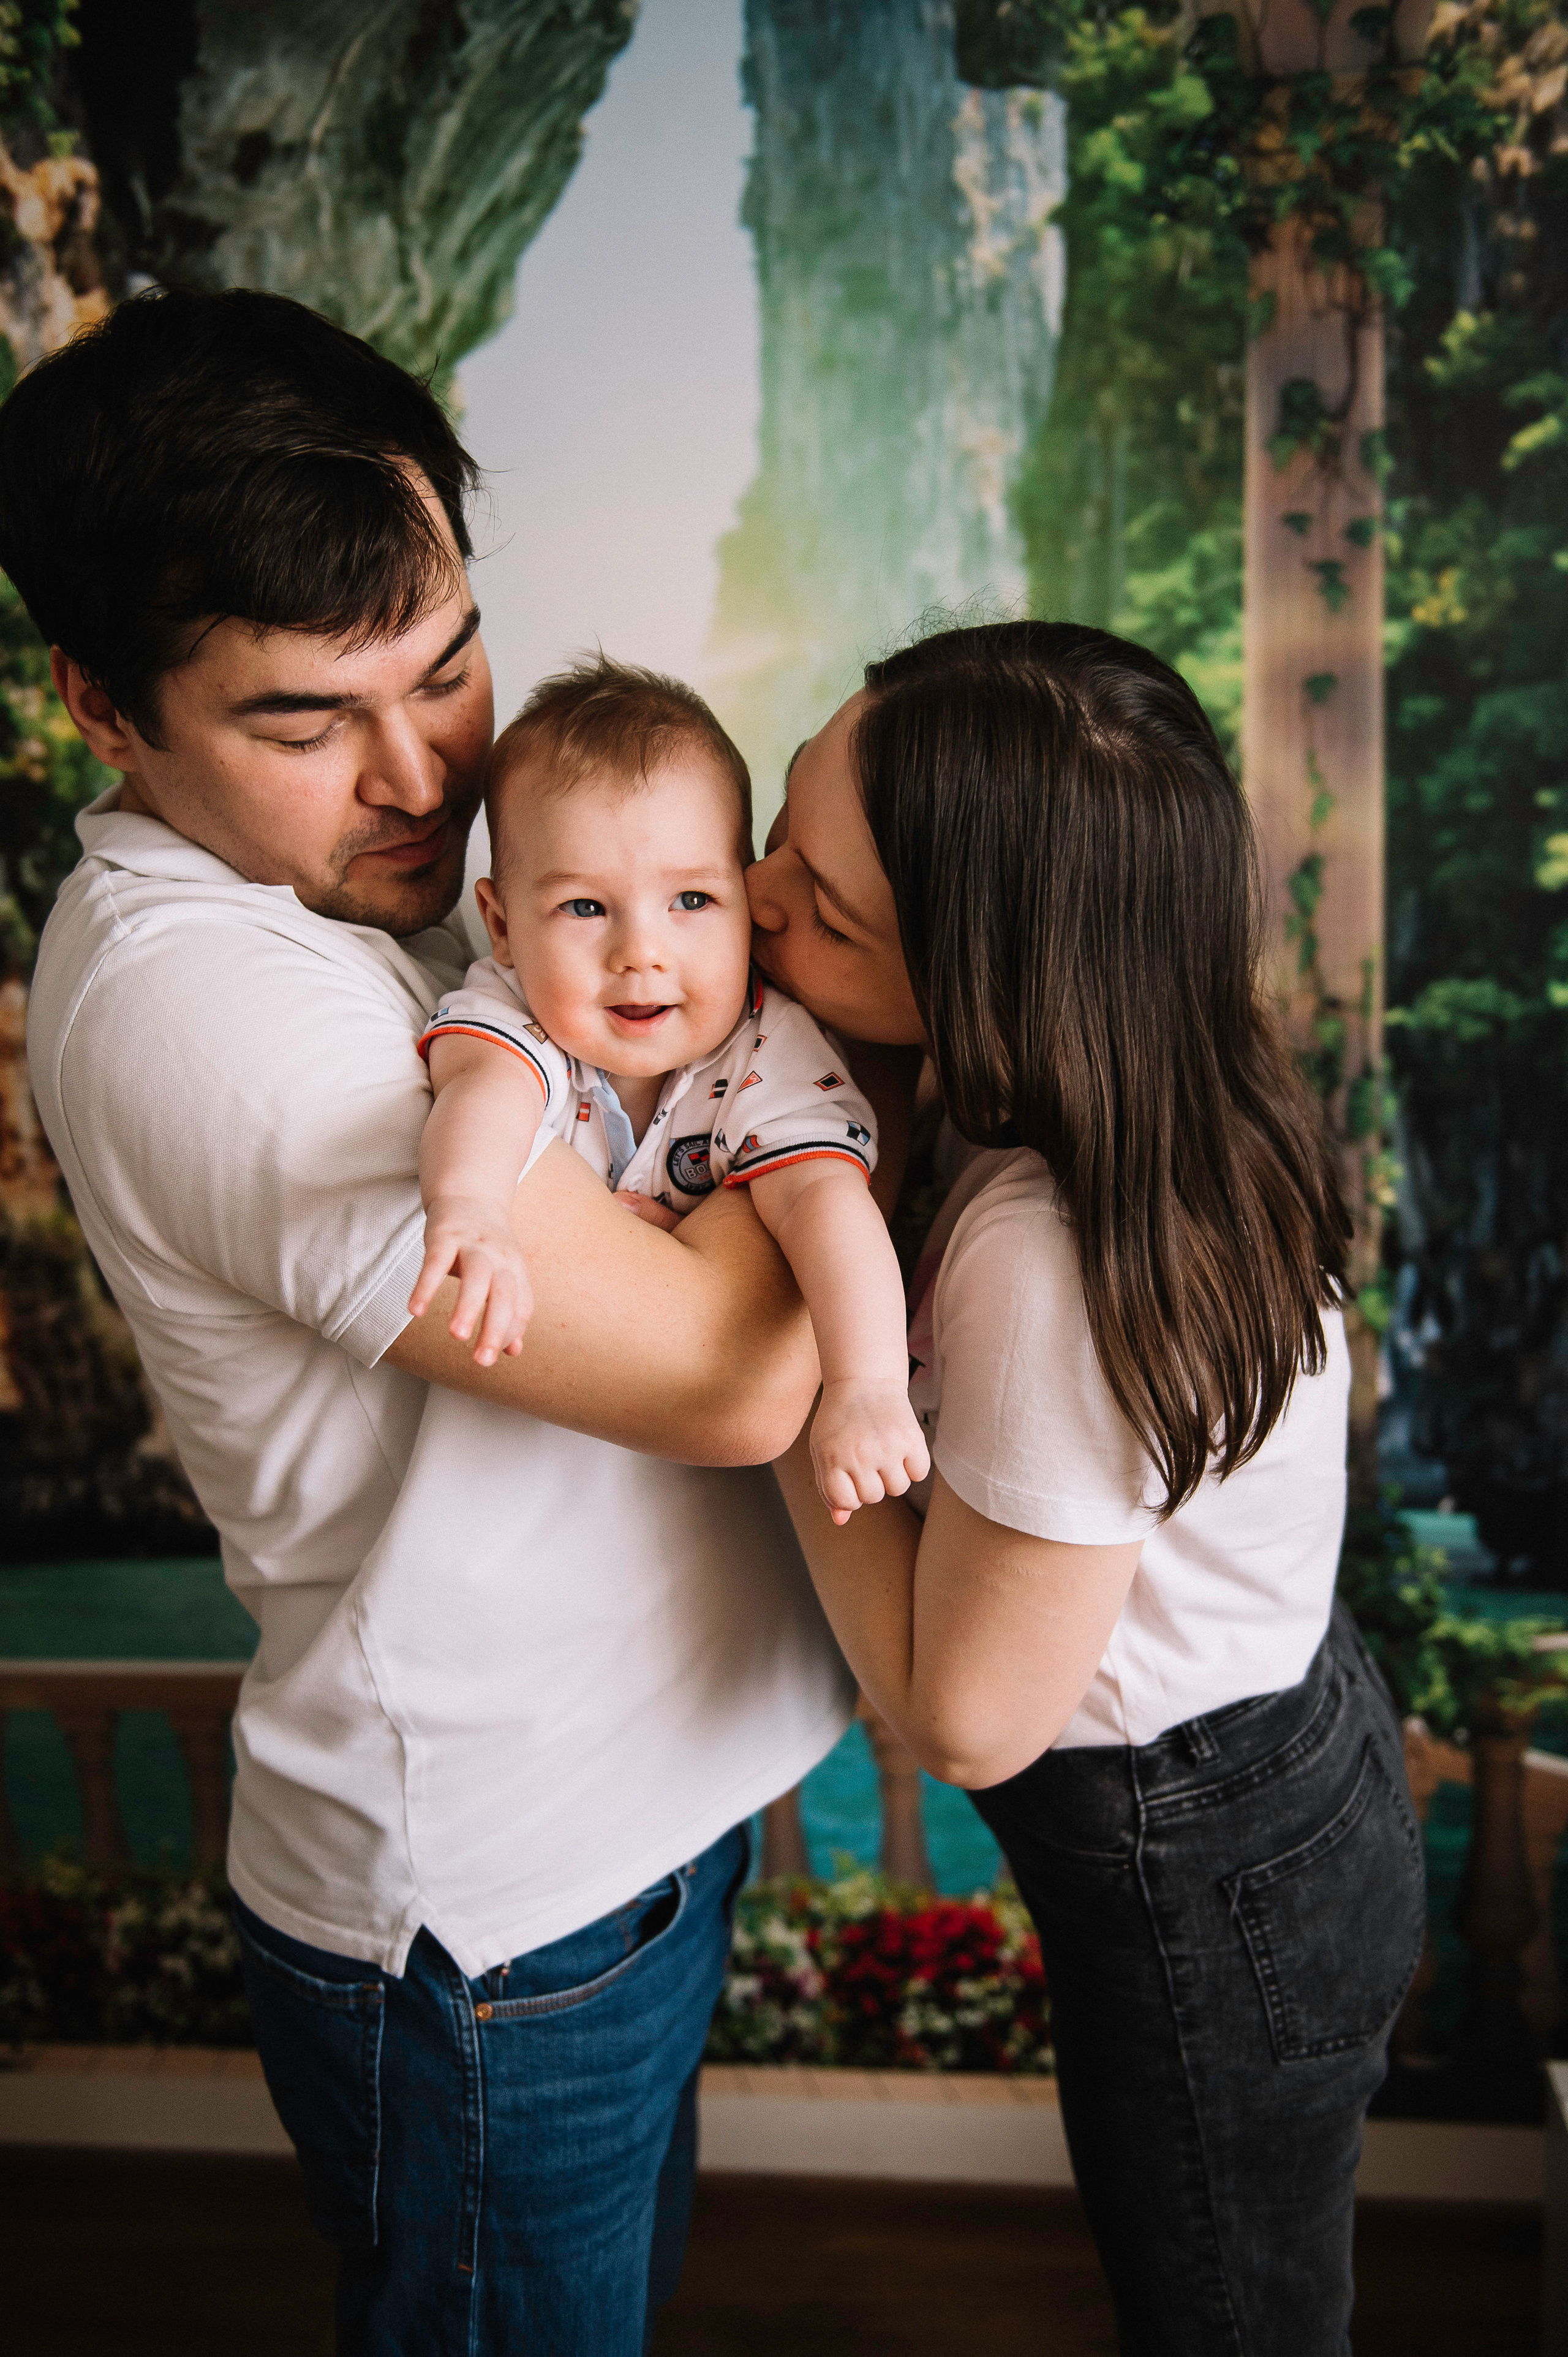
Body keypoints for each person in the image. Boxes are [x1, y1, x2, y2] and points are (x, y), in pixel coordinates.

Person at [4, 286, 858, 2355]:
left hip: (631, 1842)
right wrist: (853, 1037)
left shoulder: (439, 904)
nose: (420, 775)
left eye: (451, 667)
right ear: (106, 708)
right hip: (493, 1917)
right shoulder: (203, 1005)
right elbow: (735, 1370)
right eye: (305, 724)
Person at [747, 619, 1426, 2356]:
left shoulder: (1051, 1264)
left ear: (990, 968)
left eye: (823, 910)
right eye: (782, 834)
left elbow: (970, 1719)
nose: (754, 906)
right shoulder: (1167, 1072)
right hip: (1302, 1762)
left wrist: (798, 1406)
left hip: (1217, 1872)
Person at [410, 654, 929, 1523]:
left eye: (691, 900)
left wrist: (867, 1383)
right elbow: (482, 1093)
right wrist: (472, 1209)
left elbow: (827, 1204)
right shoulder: (517, 1013)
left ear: (744, 902)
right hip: (526, 1464)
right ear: (501, 924)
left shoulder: (766, 1040)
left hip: (709, 1492)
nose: (641, 953)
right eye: (585, 909)